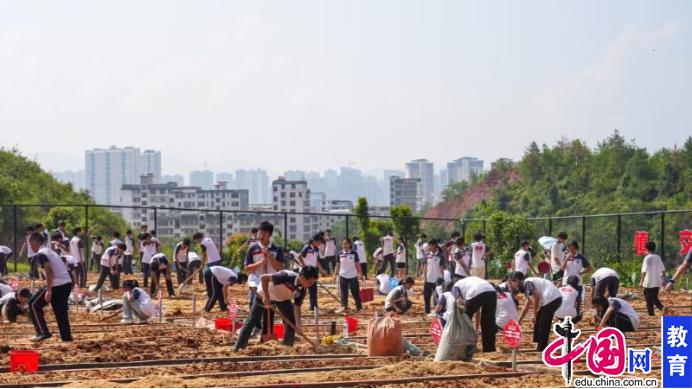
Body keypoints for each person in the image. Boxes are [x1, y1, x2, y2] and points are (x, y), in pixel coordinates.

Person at [234, 266, 318, 351]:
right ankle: (238, 348)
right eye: (310, 282)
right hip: (264, 294)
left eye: (313, 283)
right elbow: (264, 278)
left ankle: (288, 348)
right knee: (252, 320)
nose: (311, 285)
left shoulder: (303, 290)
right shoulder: (286, 276)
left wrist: (298, 326)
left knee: (291, 323)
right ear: (302, 278)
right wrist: (266, 297)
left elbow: (297, 307)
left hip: (282, 298)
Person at [26, 232, 73, 342]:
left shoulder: (41, 254)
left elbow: (48, 270)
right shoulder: (50, 251)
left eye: (31, 244)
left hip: (57, 284)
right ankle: (67, 339)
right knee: (60, 312)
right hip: (66, 282)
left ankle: (43, 332)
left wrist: (49, 290)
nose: (31, 247)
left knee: (33, 304)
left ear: (36, 242)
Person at [243, 221, 285, 337]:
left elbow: (280, 268)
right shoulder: (252, 249)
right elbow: (246, 268)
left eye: (264, 234)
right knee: (253, 303)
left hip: (271, 282)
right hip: (256, 280)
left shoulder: (277, 249)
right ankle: (256, 327)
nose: (261, 236)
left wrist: (270, 256)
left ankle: (268, 332)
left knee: (270, 308)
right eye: (260, 233)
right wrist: (261, 263)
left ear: (270, 235)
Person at [510, 272, 562, 351]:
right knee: (539, 320)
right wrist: (519, 320)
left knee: (543, 324)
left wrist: (534, 314)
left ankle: (542, 347)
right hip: (552, 299)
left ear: (517, 280)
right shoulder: (527, 287)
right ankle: (539, 344)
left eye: (512, 283)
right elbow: (526, 306)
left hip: (551, 298)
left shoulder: (527, 283)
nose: (513, 286)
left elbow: (537, 296)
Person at [451, 276, 497, 352]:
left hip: (476, 292)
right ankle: (489, 349)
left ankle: (465, 347)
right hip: (491, 291)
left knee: (464, 319)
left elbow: (459, 301)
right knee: (488, 322)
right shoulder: (469, 281)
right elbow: (477, 310)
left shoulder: (455, 286)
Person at [297, 235, 328, 312]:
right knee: (302, 290)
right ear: (314, 241)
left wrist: (321, 269)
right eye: (319, 242)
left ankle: (313, 307)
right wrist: (305, 268)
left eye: (320, 243)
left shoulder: (316, 249)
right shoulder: (307, 247)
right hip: (305, 273)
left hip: (312, 272)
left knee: (313, 290)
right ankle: (297, 305)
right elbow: (299, 256)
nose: (319, 244)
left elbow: (316, 261)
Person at [333, 238, 363, 312]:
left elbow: (358, 264)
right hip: (343, 275)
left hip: (353, 276)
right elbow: (337, 265)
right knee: (343, 293)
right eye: (343, 244)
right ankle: (344, 307)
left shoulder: (354, 253)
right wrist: (334, 275)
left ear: (350, 245)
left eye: (346, 243)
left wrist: (360, 274)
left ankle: (359, 307)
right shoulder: (339, 254)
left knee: (355, 292)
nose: (345, 245)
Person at [640, 241, 666, 316]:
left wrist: (641, 281)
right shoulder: (658, 257)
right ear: (654, 248)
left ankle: (663, 309)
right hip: (657, 282)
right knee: (651, 299)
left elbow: (644, 271)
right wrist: (663, 280)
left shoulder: (647, 258)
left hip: (648, 282)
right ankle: (651, 314)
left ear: (646, 249)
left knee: (652, 299)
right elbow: (663, 270)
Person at [423, 239, 444, 316]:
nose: (429, 247)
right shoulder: (427, 255)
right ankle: (427, 311)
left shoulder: (440, 256)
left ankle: (437, 312)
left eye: (430, 245)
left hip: (437, 280)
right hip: (428, 279)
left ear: (434, 245)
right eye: (429, 245)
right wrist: (424, 278)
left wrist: (443, 278)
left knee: (437, 298)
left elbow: (441, 267)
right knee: (426, 297)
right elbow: (425, 267)